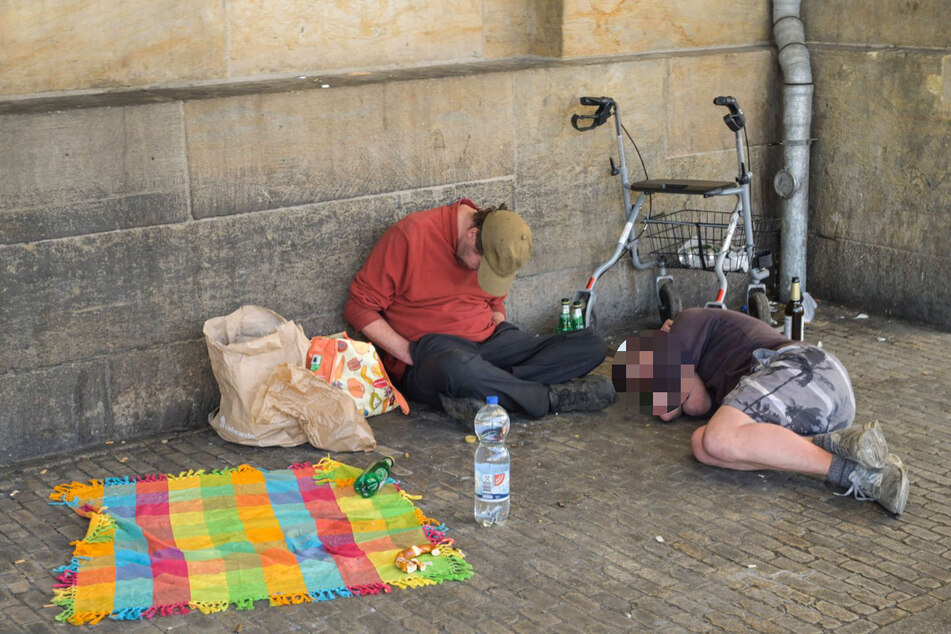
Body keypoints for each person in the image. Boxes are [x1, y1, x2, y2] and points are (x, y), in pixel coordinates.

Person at [344, 198, 616, 427]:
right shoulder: (411, 235)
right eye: (481, 268)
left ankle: (489, 389)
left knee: (590, 344)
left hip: (492, 342)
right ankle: (550, 398)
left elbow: (495, 300)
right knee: (458, 370)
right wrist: (407, 353)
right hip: (433, 353)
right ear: (472, 235)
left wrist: (498, 319)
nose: (479, 275)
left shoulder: (498, 243)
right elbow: (359, 306)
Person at [612, 307, 909, 516]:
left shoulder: (685, 323)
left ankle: (858, 474)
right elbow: (689, 401)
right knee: (703, 446)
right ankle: (844, 447)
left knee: (718, 438)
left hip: (806, 368)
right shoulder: (692, 357)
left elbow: (683, 406)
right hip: (820, 398)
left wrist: (669, 352)